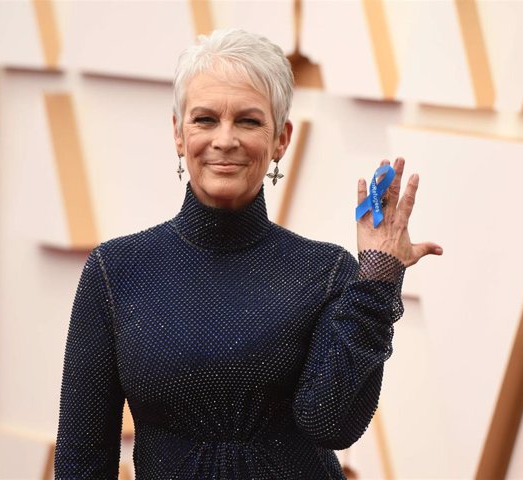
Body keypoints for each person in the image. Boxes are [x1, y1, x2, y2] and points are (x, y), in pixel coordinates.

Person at [54, 29, 442, 479]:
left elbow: (330, 424)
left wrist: (376, 278)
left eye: (248, 121)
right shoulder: (114, 272)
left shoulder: (327, 271)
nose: (225, 139)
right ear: (178, 134)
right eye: (204, 120)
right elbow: (83, 456)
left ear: (281, 140)